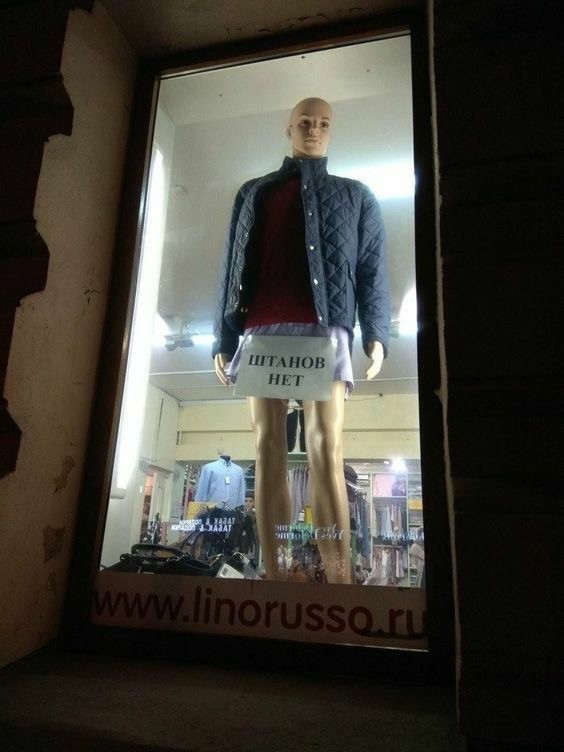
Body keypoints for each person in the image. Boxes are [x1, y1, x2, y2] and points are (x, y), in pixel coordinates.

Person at [213, 97, 390, 583]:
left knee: (326, 450)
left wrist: (376, 334)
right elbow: (231, 266)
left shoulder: (356, 195)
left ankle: (339, 578)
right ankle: (274, 574)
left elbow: (372, 270)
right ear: (288, 128)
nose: (314, 130)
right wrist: (223, 337)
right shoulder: (253, 192)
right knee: (267, 448)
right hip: (261, 330)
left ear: (331, 131)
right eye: (305, 122)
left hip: (325, 328)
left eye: (323, 124)